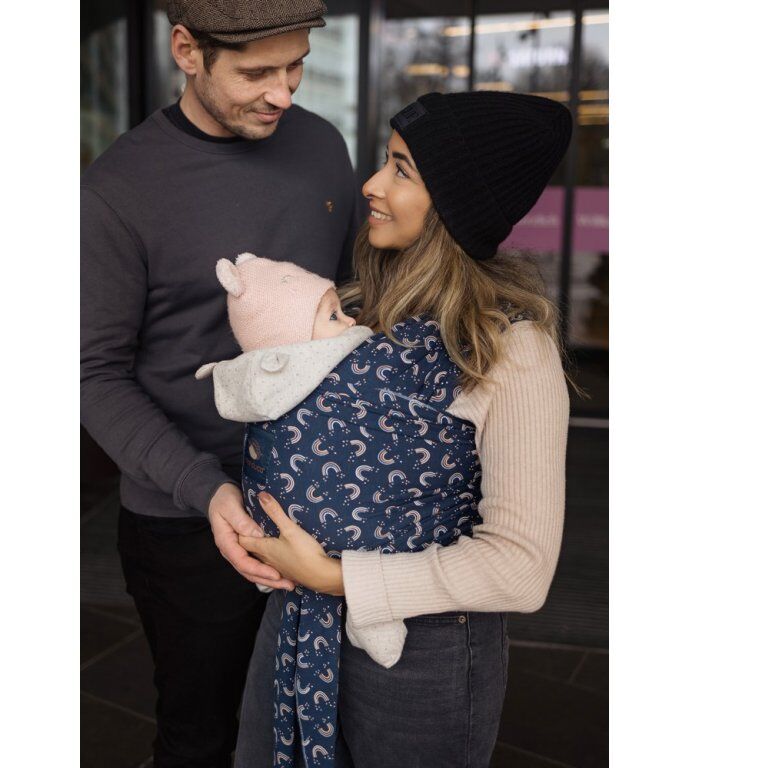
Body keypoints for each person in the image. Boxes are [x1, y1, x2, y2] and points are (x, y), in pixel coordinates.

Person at [230, 90, 573, 768]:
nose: (372, 184)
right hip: (299, 619)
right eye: (386, 161)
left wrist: (337, 578)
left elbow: (522, 569)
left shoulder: (509, 349)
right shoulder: (357, 307)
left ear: (454, 206)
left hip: (424, 656)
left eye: (402, 170)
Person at [79, 0, 363, 764]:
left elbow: (349, 304)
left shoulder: (321, 146)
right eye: (257, 72)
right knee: (202, 738)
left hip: (321, 499)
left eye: (296, 66)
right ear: (186, 50)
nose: (283, 92)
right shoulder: (116, 191)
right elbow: (92, 375)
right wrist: (208, 491)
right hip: (185, 520)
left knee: (313, 730)